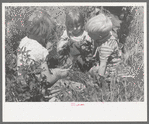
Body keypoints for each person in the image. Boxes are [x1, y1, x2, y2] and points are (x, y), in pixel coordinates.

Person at [17, 10, 69, 87]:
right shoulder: (40, 50)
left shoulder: (23, 41)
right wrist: (59, 75)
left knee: (55, 70)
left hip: (22, 83)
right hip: (37, 87)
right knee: (74, 84)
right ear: (44, 32)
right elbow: (48, 80)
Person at [85, 13, 122, 82]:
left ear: (99, 36)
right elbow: (96, 44)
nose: (88, 34)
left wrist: (100, 78)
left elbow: (103, 65)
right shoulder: (107, 34)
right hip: (110, 59)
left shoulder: (105, 47)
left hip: (111, 67)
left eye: (90, 34)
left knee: (91, 72)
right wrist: (94, 55)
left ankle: (106, 81)